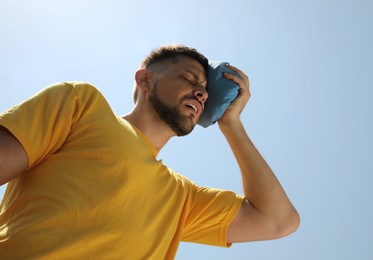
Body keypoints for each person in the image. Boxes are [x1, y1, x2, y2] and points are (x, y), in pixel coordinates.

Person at [0, 45, 299, 259]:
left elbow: (278, 221)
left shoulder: (181, 198)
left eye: (205, 92)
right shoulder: (83, 105)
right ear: (145, 80)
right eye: (189, 79)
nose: (201, 92)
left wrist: (231, 125)